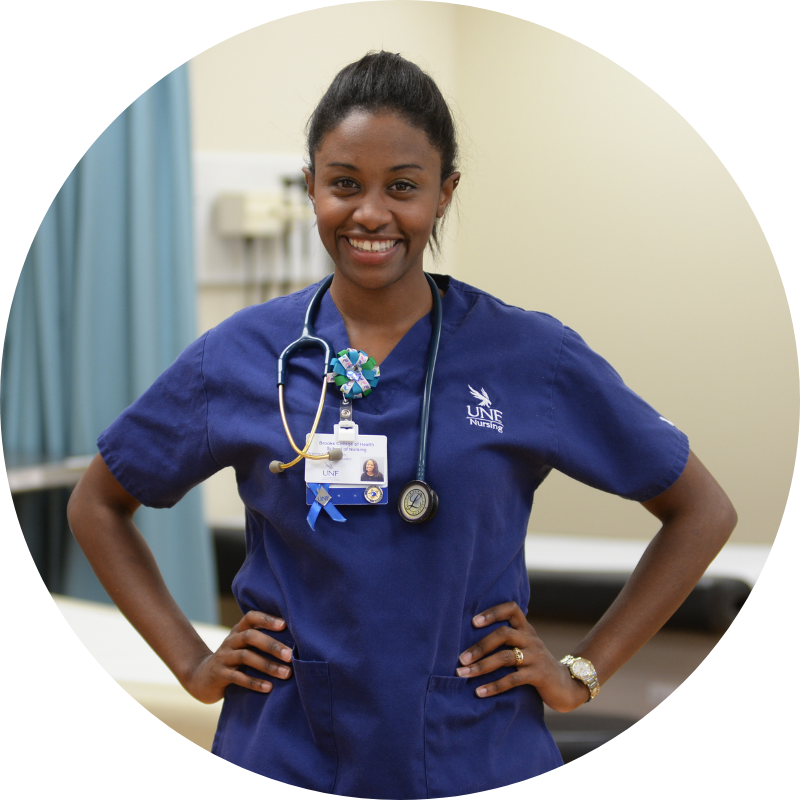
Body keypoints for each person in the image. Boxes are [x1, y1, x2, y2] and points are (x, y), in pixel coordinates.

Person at [67, 52, 737, 797]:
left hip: (476, 750)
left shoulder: (528, 356)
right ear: (312, 186)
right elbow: (98, 503)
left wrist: (583, 669)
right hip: (284, 745)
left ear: (445, 193)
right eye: (344, 183)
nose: (371, 214)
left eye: (405, 187)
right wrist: (191, 663)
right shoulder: (242, 353)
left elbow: (700, 511)